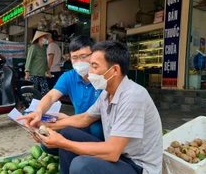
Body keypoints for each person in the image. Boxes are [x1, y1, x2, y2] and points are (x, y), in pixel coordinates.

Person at [24, 41, 163, 174]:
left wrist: (63, 143)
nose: (89, 72)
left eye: (94, 66)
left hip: (136, 165)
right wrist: (44, 125)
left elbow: (112, 152)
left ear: (114, 70)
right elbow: (84, 118)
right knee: (67, 133)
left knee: (81, 165)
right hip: (120, 155)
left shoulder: (133, 97)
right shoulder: (106, 93)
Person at [18, 35, 104, 155]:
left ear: (94, 55)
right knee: (47, 144)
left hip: (98, 124)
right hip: (78, 122)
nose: (79, 62)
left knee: (96, 129)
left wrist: (50, 124)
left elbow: (89, 118)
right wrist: (39, 112)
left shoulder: (104, 77)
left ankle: (96, 155)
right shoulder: (69, 76)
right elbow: (51, 96)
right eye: (74, 58)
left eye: (83, 56)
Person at [25, 31, 51, 97]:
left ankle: (43, 104)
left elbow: (45, 61)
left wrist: (48, 71)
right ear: (40, 38)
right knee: (33, 92)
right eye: (44, 37)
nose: (46, 39)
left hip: (42, 74)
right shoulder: (33, 48)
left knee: (45, 91)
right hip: (33, 74)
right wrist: (27, 73)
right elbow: (29, 60)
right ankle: (31, 105)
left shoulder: (44, 49)